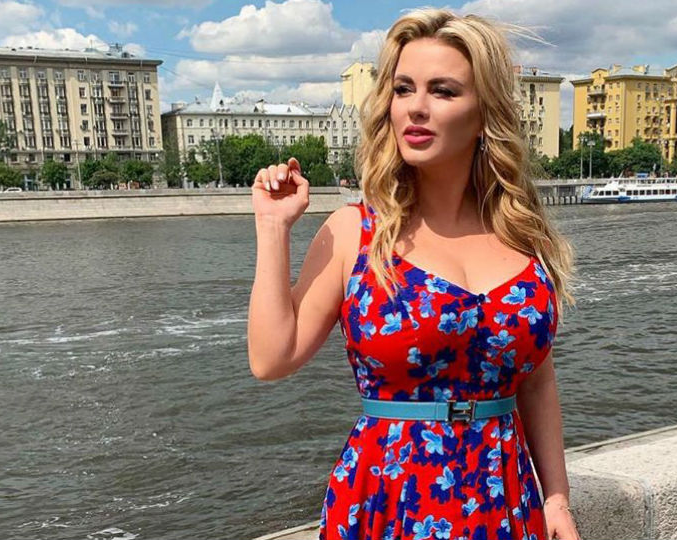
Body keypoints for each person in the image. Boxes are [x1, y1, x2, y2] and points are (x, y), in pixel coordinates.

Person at [247, 9, 579, 540]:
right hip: (392, 500)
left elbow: (536, 381)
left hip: (506, 499)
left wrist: (556, 498)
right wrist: (272, 227)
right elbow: (271, 359)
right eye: (404, 89)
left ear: (484, 113)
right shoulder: (358, 233)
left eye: (442, 91)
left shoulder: (522, 234)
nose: (416, 107)